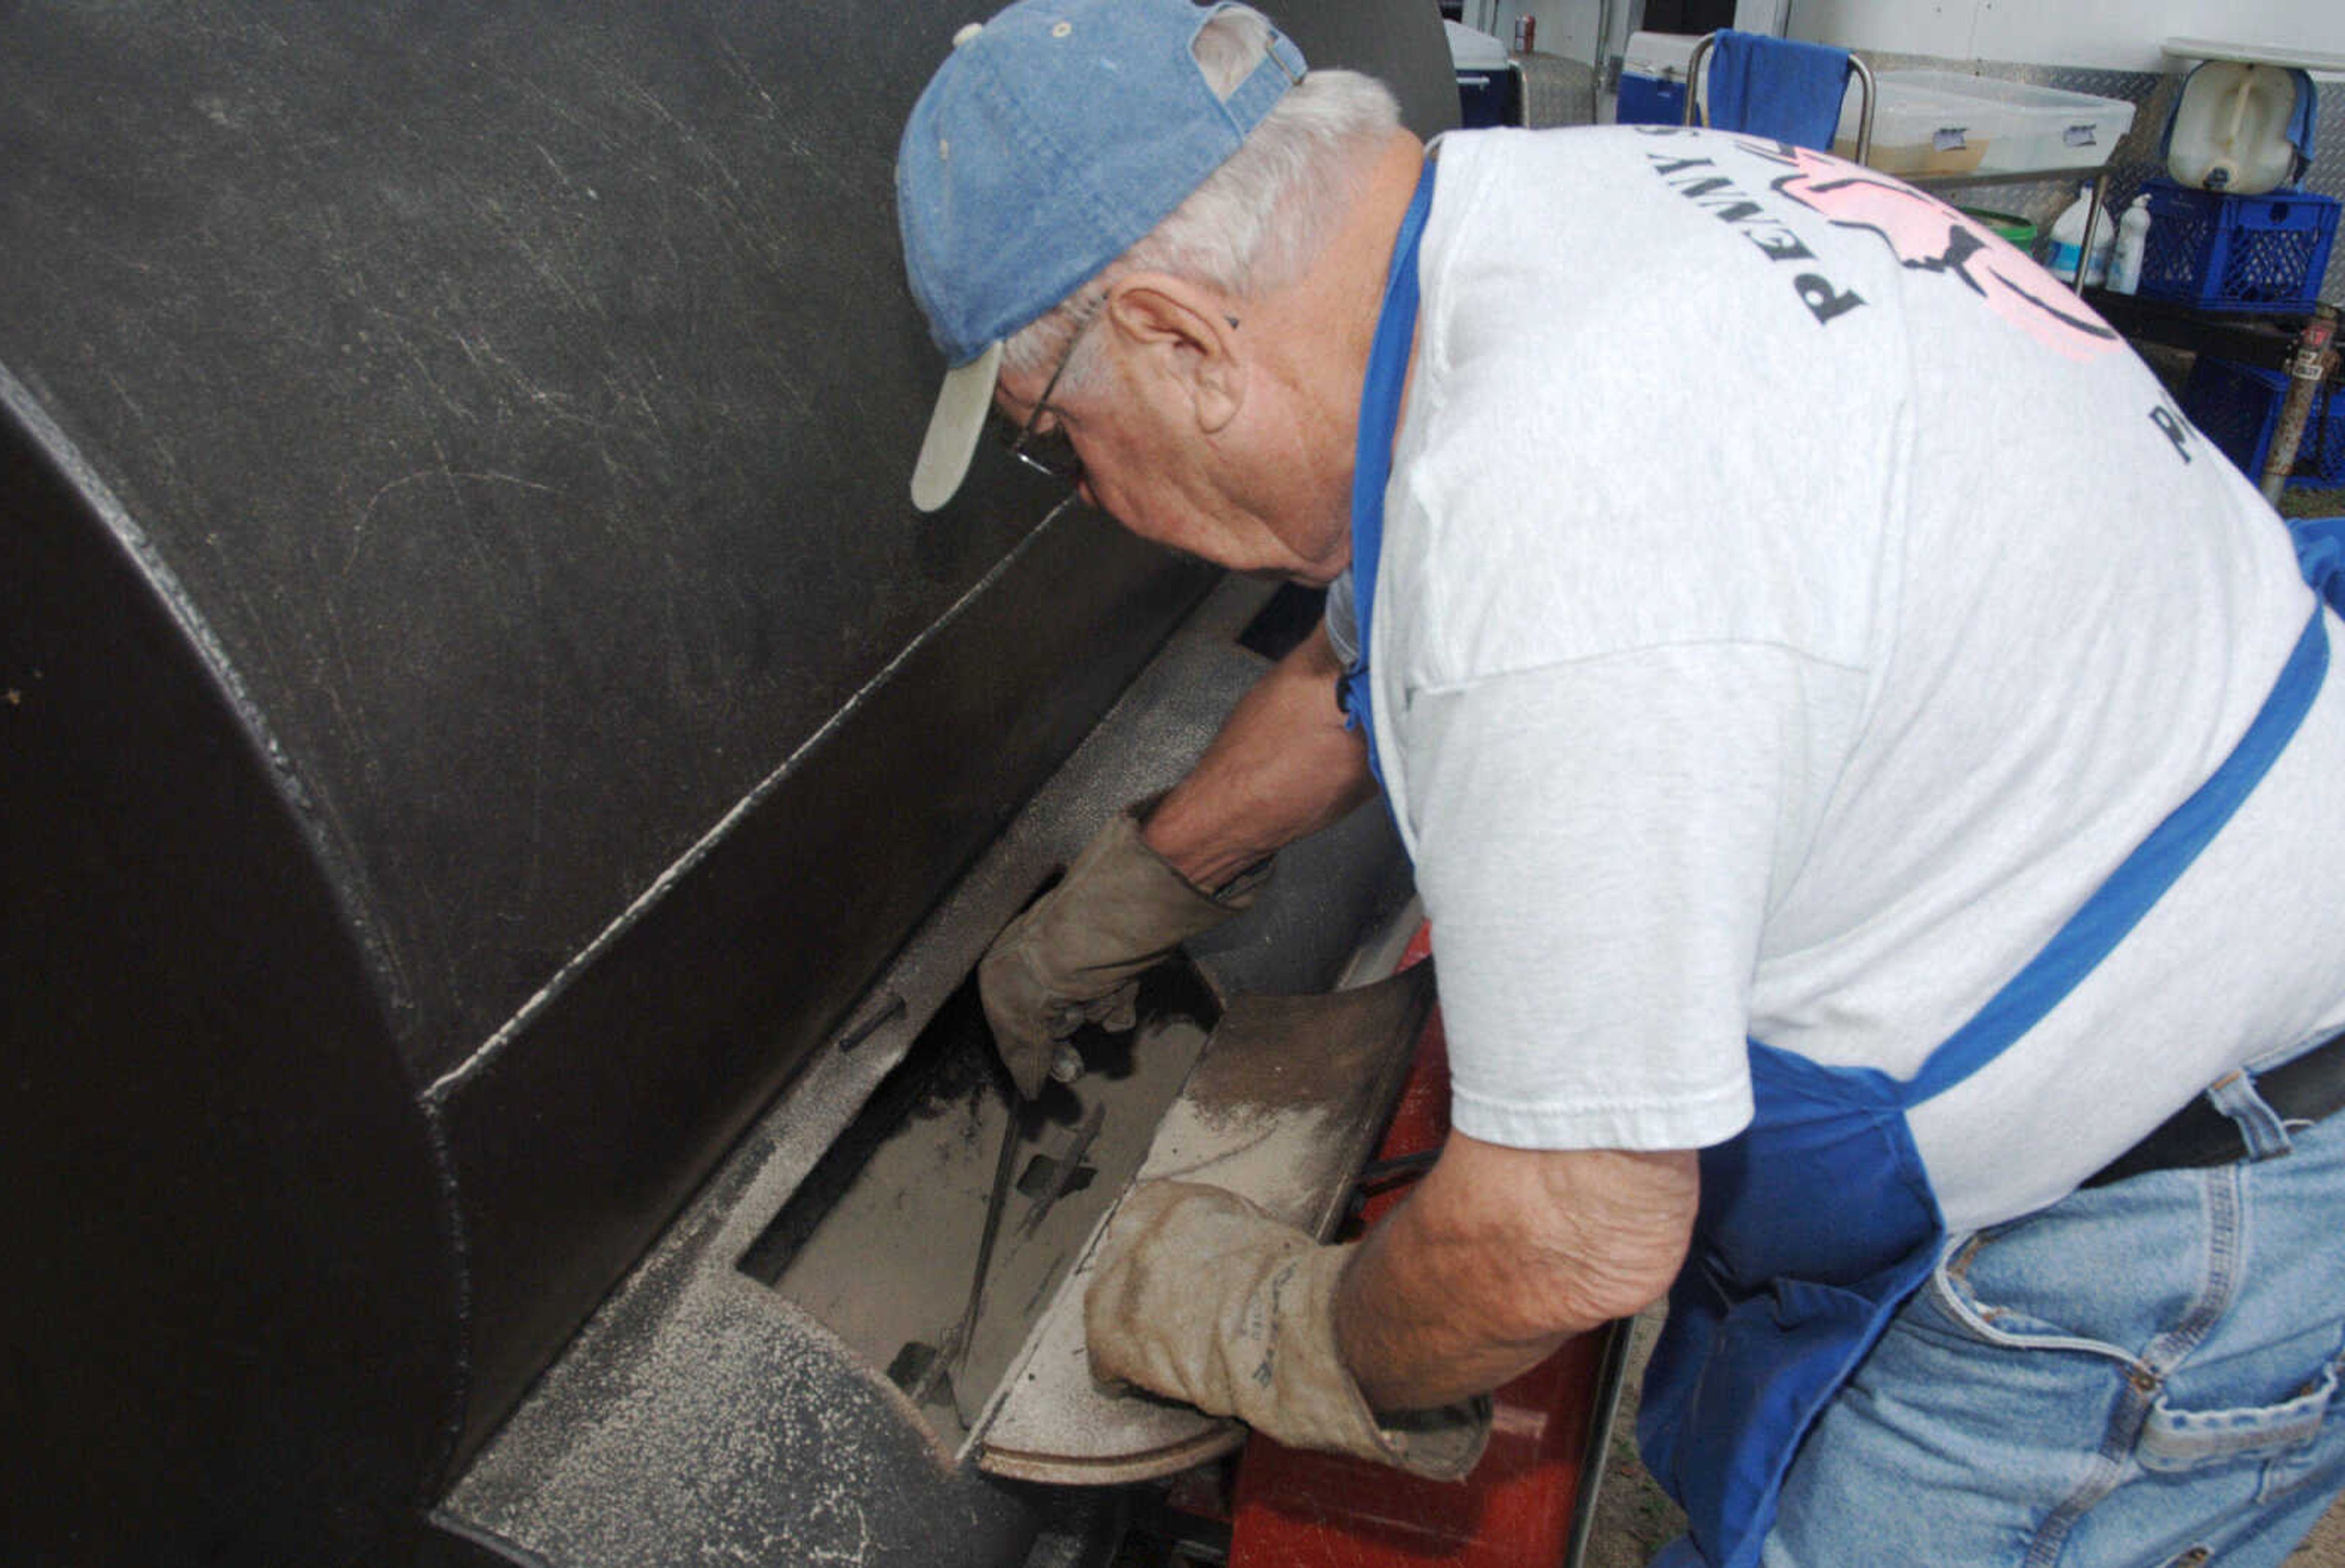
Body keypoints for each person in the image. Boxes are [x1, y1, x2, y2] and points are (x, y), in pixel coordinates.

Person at [895, 2, 2345, 1562]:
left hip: (2167, 1219)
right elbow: (1361, 660)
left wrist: (1275, 1323)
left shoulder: (1556, 541)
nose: (1099, 494)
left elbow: (1566, 1234)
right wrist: (1141, 890)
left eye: (1061, 436)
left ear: (1180, 341)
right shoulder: (1554, 215)